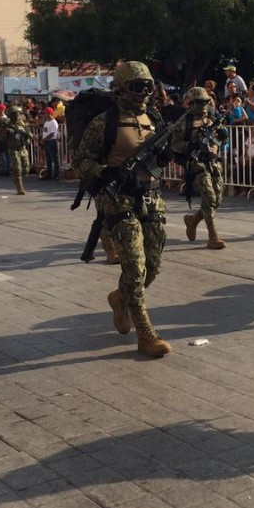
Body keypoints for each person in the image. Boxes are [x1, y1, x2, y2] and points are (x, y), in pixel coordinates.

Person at [72, 61, 173, 357]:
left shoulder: (154, 118)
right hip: (118, 199)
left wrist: (166, 155)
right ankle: (145, 333)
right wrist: (105, 172)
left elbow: (164, 154)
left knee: (152, 266)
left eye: (147, 86)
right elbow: (80, 160)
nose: (143, 92)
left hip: (151, 197)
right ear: (120, 88)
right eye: (136, 86)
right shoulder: (105, 122)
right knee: (135, 265)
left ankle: (120, 298)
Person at [172, 87, 229, 249]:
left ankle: (193, 219)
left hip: (214, 162)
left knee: (217, 200)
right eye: (199, 102)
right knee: (209, 198)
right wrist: (191, 145)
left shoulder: (212, 118)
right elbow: (175, 145)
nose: (203, 105)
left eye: (205, 101)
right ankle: (213, 236)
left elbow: (220, 141)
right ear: (191, 103)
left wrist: (223, 136)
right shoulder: (184, 122)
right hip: (196, 163)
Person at [0, 106, 31, 195]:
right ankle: (20, 187)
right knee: (17, 168)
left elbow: (29, 134)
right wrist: (8, 133)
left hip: (23, 148)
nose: (16, 116)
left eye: (17, 114)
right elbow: (2, 139)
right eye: (14, 114)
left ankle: (16, 179)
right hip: (13, 149)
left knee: (26, 168)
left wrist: (27, 137)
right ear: (10, 115)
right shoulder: (7, 126)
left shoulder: (22, 124)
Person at [39, 107, 60, 180]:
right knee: (48, 159)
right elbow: (45, 132)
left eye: (45, 113)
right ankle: (49, 174)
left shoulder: (53, 122)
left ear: (48, 113)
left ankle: (56, 175)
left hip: (51, 141)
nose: (44, 114)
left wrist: (44, 139)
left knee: (54, 158)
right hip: (46, 142)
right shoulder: (46, 122)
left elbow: (52, 133)